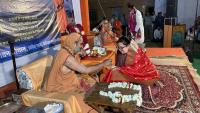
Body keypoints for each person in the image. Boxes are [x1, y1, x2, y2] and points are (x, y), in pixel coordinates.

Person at [45, 33, 112, 113]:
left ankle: (102, 108)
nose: (82, 46)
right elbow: (85, 70)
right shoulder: (66, 57)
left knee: (93, 83)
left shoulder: (69, 50)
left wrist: (78, 52)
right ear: (73, 43)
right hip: (60, 89)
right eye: (80, 44)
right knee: (84, 97)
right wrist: (103, 64)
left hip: (70, 83)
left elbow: (78, 62)